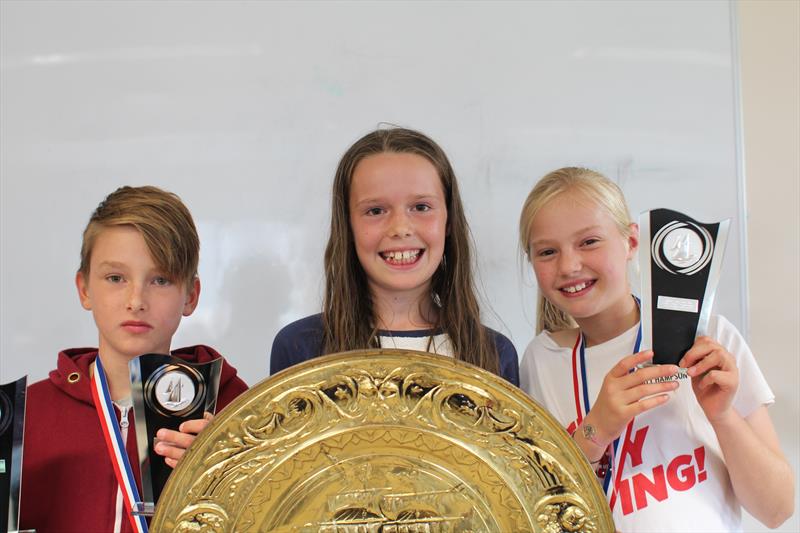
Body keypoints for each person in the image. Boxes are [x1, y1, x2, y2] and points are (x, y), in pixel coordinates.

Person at [517, 167, 793, 531]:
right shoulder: (540, 360)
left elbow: (777, 509)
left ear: (632, 242)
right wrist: (595, 430)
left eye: (589, 242)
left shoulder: (707, 339)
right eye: (548, 251)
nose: (569, 265)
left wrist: (723, 416)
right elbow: (538, 511)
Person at [20, 186, 248, 533]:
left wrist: (225, 481)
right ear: (84, 289)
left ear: (191, 296)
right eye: (116, 278)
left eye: (160, 279)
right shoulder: (27, 415)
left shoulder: (235, 411)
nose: (136, 300)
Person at [271, 127, 519, 385]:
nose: (400, 228)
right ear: (348, 227)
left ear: (449, 221)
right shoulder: (299, 347)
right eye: (376, 210)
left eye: (421, 207)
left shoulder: (495, 353)